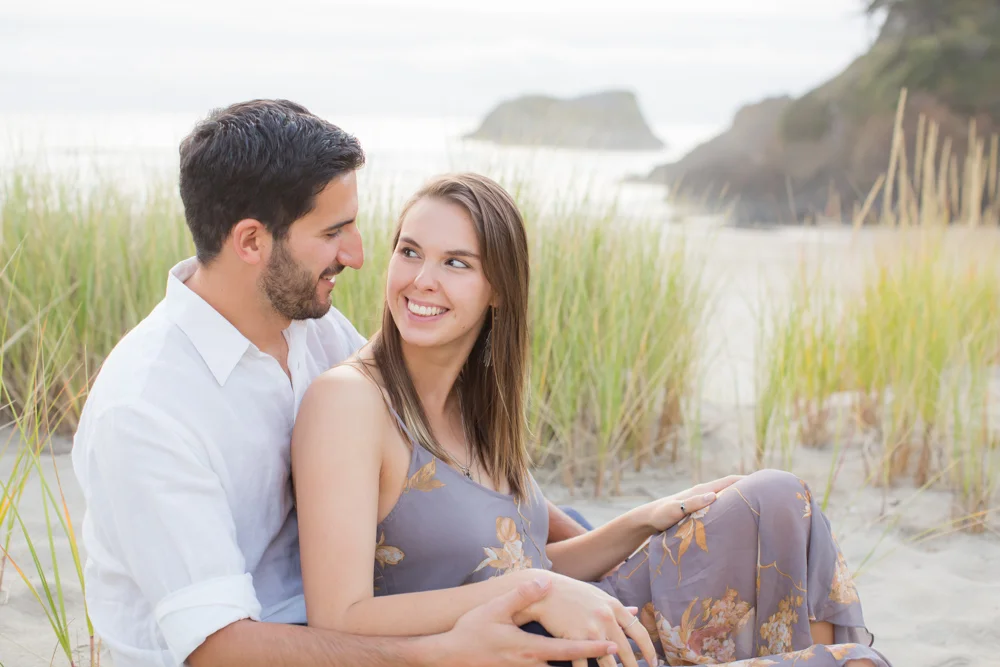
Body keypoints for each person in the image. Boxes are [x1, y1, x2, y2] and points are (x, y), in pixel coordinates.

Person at [70, 99, 627, 667]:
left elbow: (426, 447)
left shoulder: (313, 328)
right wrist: (445, 651)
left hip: (347, 628)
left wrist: (581, 534)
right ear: (252, 242)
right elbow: (221, 647)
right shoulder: (146, 410)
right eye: (334, 232)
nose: (359, 256)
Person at [290, 173, 894, 667]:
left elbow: (532, 563)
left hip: (574, 628)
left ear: (497, 289)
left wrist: (637, 522)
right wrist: (534, 592)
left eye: (456, 263)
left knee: (778, 499)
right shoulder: (350, 402)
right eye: (410, 252)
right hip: (503, 655)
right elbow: (340, 617)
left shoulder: (475, 402)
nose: (422, 280)